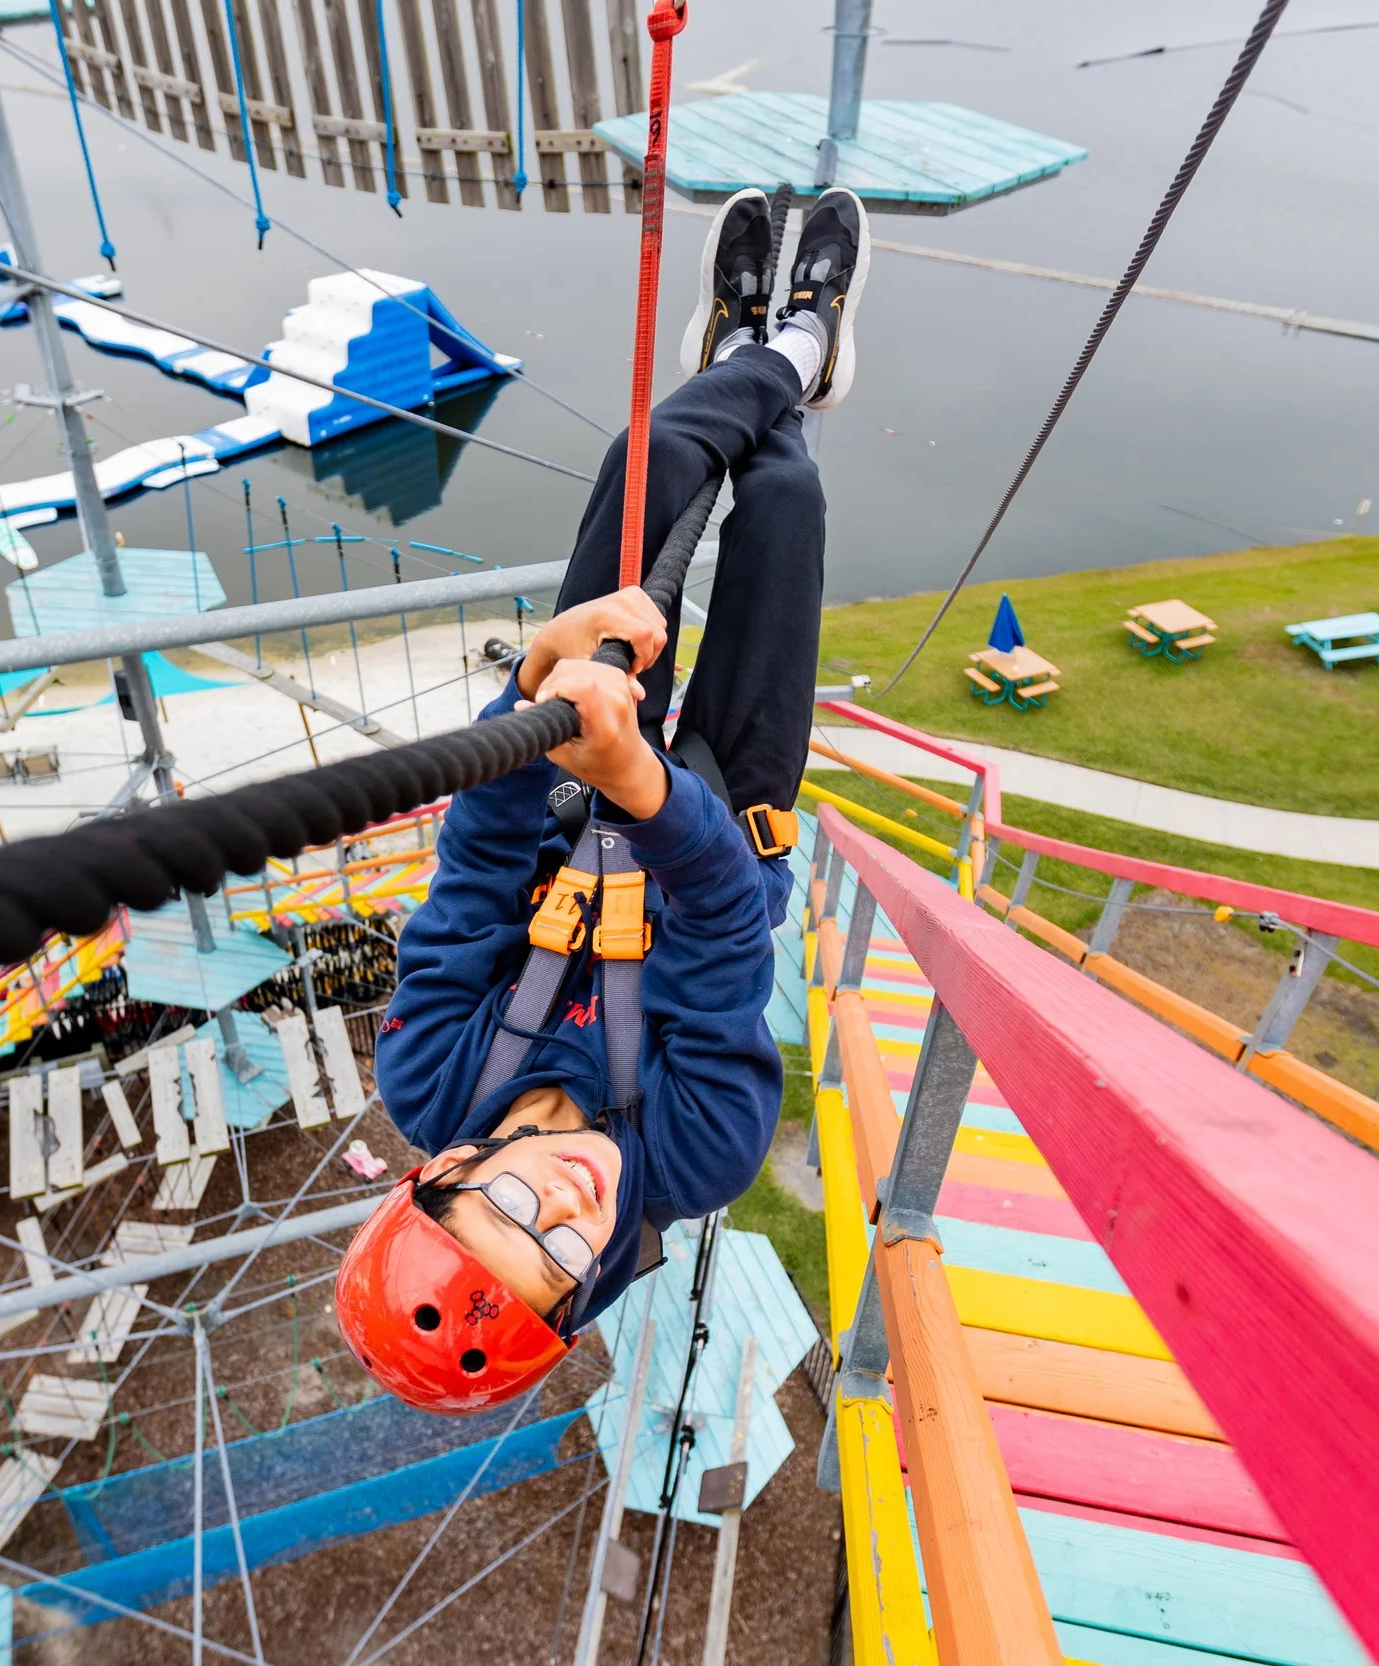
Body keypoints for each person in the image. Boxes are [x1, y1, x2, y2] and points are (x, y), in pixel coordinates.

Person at [338, 185, 871, 1413]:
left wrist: (534, 690)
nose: (571, 1204)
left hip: (561, 788)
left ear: (450, 1165)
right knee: (784, 507)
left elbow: (471, 878)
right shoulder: (697, 1155)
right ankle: (782, 351)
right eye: (567, 1254)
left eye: (515, 1207)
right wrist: (648, 787)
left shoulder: (428, 1082)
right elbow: (732, 933)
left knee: (652, 458)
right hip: (724, 824)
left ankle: (763, 352)